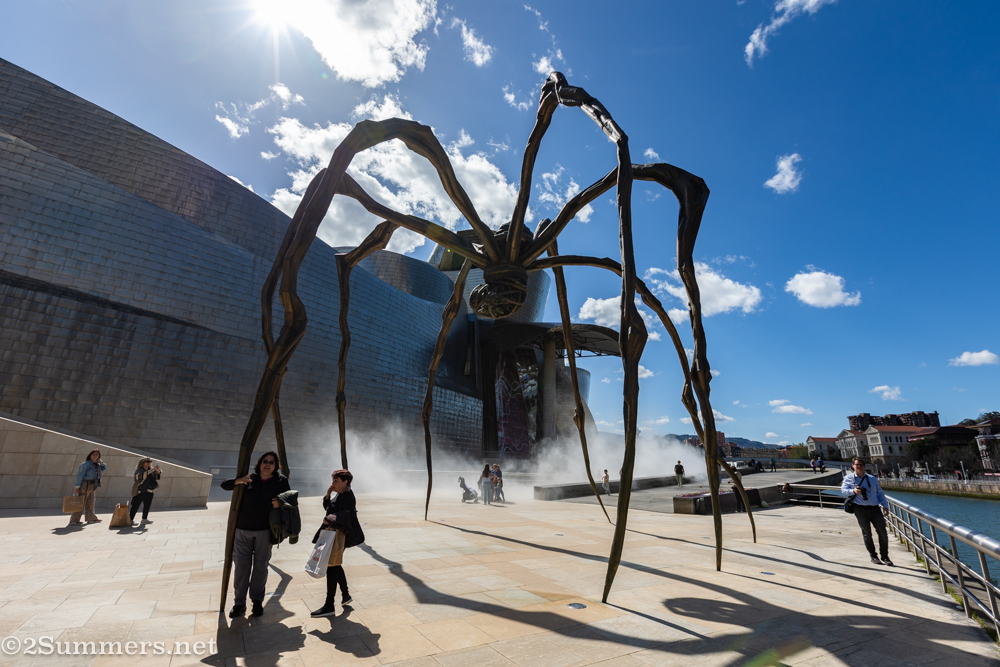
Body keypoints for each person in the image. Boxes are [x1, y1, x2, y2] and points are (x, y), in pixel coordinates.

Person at [221, 451, 290, 618]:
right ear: (259, 463)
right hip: (243, 530)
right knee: (241, 568)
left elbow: (291, 501)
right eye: (265, 461)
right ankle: (239, 603)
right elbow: (225, 484)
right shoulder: (249, 478)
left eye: (271, 462)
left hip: (265, 531)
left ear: (276, 466)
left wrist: (280, 503)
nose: (267, 465)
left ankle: (257, 602)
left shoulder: (280, 481)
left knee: (260, 567)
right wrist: (238, 481)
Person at [311, 469, 357, 617]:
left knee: (332, 567)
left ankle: (329, 605)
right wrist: (328, 496)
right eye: (333, 480)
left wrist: (329, 519)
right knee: (335, 565)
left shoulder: (347, 496)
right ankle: (345, 595)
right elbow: (329, 508)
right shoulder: (341, 494)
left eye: (336, 481)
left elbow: (347, 515)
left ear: (345, 482)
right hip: (333, 533)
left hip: (337, 535)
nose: (333, 483)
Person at [841, 458, 893, 566]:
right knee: (867, 534)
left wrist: (885, 505)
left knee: (883, 533)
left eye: (861, 465)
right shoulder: (848, 478)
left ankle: (885, 556)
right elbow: (843, 490)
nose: (859, 466)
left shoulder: (872, 478)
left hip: (875, 508)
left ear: (864, 466)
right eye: (856, 464)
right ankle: (873, 556)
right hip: (860, 509)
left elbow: (880, 493)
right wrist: (853, 491)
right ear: (853, 466)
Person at [70, 449, 106, 525]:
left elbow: (104, 468)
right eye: (93, 454)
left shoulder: (97, 465)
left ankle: (91, 518)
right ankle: (74, 520)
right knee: (80, 502)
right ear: (90, 455)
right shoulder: (86, 464)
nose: (95, 456)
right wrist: (77, 487)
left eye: (97, 454)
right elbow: (80, 476)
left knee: (90, 502)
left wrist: (101, 462)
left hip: (92, 486)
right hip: (85, 485)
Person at [130, 457, 161, 525]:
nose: (149, 463)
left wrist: (158, 470)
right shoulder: (139, 470)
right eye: (147, 461)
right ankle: (130, 519)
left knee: (147, 505)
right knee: (136, 505)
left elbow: (156, 477)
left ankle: (144, 519)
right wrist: (152, 470)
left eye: (150, 461)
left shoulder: (151, 470)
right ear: (143, 462)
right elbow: (139, 477)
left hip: (149, 490)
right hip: (140, 490)